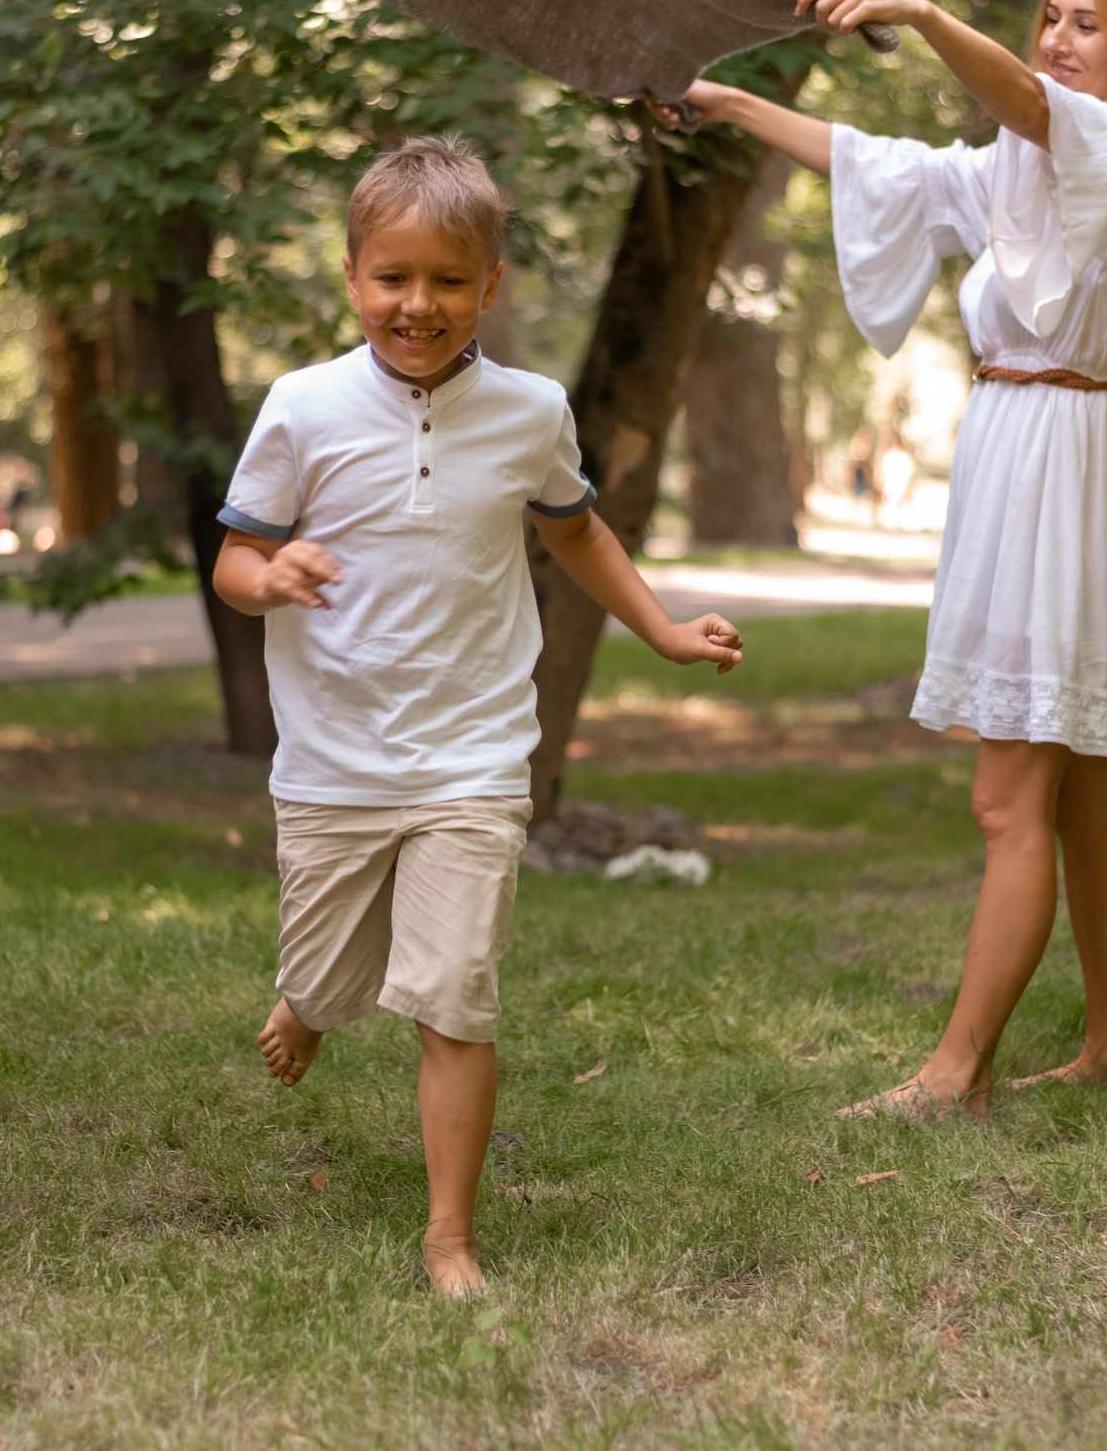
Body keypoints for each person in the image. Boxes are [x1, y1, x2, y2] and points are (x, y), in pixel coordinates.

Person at [673, 0, 1107, 1120]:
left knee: (1005, 799)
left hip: (1066, 475)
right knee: (1072, 794)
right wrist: (718, 101)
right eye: (1052, 16)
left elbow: (1027, 100)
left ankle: (953, 1073)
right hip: (1022, 460)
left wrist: (919, 12)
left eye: (1090, 24)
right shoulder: (1022, 163)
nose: (1058, 40)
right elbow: (884, 168)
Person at [213, 137, 745, 1296]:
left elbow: (575, 531)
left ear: (489, 287)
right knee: (331, 968)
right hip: (334, 757)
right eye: (393, 277)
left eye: (448, 280)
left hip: (474, 753)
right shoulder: (302, 407)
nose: (419, 304)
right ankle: (309, 995)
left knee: (454, 991)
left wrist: (659, 626)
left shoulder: (528, 410)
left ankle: (448, 1232)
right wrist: (271, 577)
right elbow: (232, 560)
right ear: (351, 277)